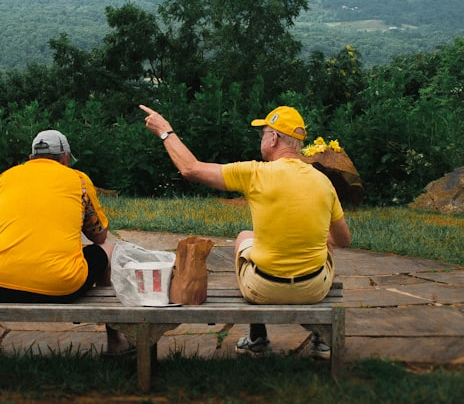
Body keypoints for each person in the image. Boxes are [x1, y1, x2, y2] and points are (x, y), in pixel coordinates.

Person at [139, 104, 352, 357]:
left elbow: (191, 169)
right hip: (313, 289)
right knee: (323, 244)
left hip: (263, 288)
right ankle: (321, 340)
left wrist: (165, 131)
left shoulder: (254, 173)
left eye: (263, 132)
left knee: (244, 237)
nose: (261, 138)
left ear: (274, 138)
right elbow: (343, 240)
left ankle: (258, 338)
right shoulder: (323, 182)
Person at [0, 129, 132, 356]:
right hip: (63, 287)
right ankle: (115, 340)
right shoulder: (79, 180)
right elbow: (99, 237)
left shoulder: (4, 178)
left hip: (0, 285)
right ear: (65, 158)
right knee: (107, 250)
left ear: (31, 158)